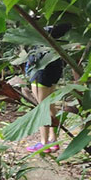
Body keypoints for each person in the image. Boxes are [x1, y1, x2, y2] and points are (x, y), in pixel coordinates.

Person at [25, 23, 72, 153]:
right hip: (54, 67)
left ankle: (44, 143)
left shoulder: (43, 31)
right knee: (49, 105)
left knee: (42, 107)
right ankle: (53, 140)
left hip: (42, 70)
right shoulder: (59, 28)